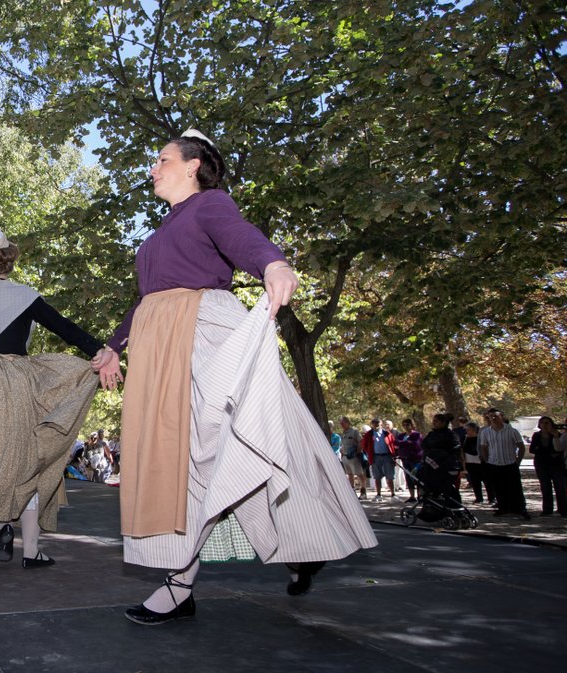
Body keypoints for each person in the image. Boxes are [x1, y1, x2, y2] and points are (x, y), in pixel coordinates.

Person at [94, 130, 376, 625]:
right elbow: (146, 301)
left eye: (162, 160)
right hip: (162, 346)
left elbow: (242, 236)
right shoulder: (159, 233)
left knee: (216, 451)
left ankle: (199, 578)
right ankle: (289, 551)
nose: (153, 169)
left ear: (192, 164)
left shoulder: (210, 205)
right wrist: (113, 346)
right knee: (187, 459)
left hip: (203, 336)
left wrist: (273, 262)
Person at [0, 227, 104, 570]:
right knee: (29, 459)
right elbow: (63, 327)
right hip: (17, 381)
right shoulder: (24, 297)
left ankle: (5, 523)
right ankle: (31, 550)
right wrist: (100, 350)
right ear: (10, 262)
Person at [478, 408, 529, 520]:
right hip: (494, 464)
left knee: (515, 487)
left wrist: (518, 461)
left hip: (510, 463)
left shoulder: (512, 431)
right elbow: (484, 447)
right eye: (490, 416)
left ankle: (520, 508)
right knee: (498, 487)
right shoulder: (486, 432)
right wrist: (488, 461)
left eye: (495, 416)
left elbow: (521, 447)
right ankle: (503, 507)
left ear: (501, 416)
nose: (493, 418)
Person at [529, 416, 565, 517]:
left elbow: (559, 449)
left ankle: (563, 509)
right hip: (541, 464)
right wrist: (547, 452)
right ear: (539, 424)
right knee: (545, 487)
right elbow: (532, 449)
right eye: (542, 423)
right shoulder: (536, 435)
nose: (545, 425)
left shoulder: (557, 434)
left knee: (559, 487)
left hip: (556, 464)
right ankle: (547, 509)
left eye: (547, 423)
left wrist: (543, 450)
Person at [365, 418, 398, 501]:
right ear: (371, 424)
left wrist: (394, 455)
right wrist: (369, 453)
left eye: (377, 424)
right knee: (377, 476)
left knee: (390, 476)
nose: (376, 425)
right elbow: (365, 445)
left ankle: (393, 494)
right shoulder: (369, 434)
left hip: (387, 456)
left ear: (381, 424)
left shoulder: (387, 433)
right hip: (376, 457)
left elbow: (392, 444)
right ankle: (378, 494)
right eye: (374, 424)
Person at [460, 421, 488, 505]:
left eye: (468, 430)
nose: (467, 431)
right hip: (470, 463)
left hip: (481, 462)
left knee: (487, 481)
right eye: (466, 430)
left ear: (474, 430)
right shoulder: (465, 439)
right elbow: (462, 451)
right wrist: (463, 464)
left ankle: (491, 498)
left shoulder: (480, 438)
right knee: (475, 482)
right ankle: (479, 498)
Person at [338, 417, 366, 499]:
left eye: (343, 423)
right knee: (349, 474)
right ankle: (352, 492)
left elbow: (361, 442)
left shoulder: (354, 431)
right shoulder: (343, 433)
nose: (341, 425)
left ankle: (363, 491)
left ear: (347, 423)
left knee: (359, 473)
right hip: (345, 456)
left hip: (354, 456)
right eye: (340, 424)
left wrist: (357, 451)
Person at [397, 419, 424, 503]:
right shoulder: (401, 435)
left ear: (412, 425)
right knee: (408, 477)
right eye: (404, 425)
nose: (406, 426)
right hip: (405, 459)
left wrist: (403, 443)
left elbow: (415, 444)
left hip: (416, 459)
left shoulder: (416, 435)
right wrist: (405, 443)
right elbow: (396, 443)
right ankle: (412, 496)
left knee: (417, 477)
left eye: (407, 424)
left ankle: (421, 495)